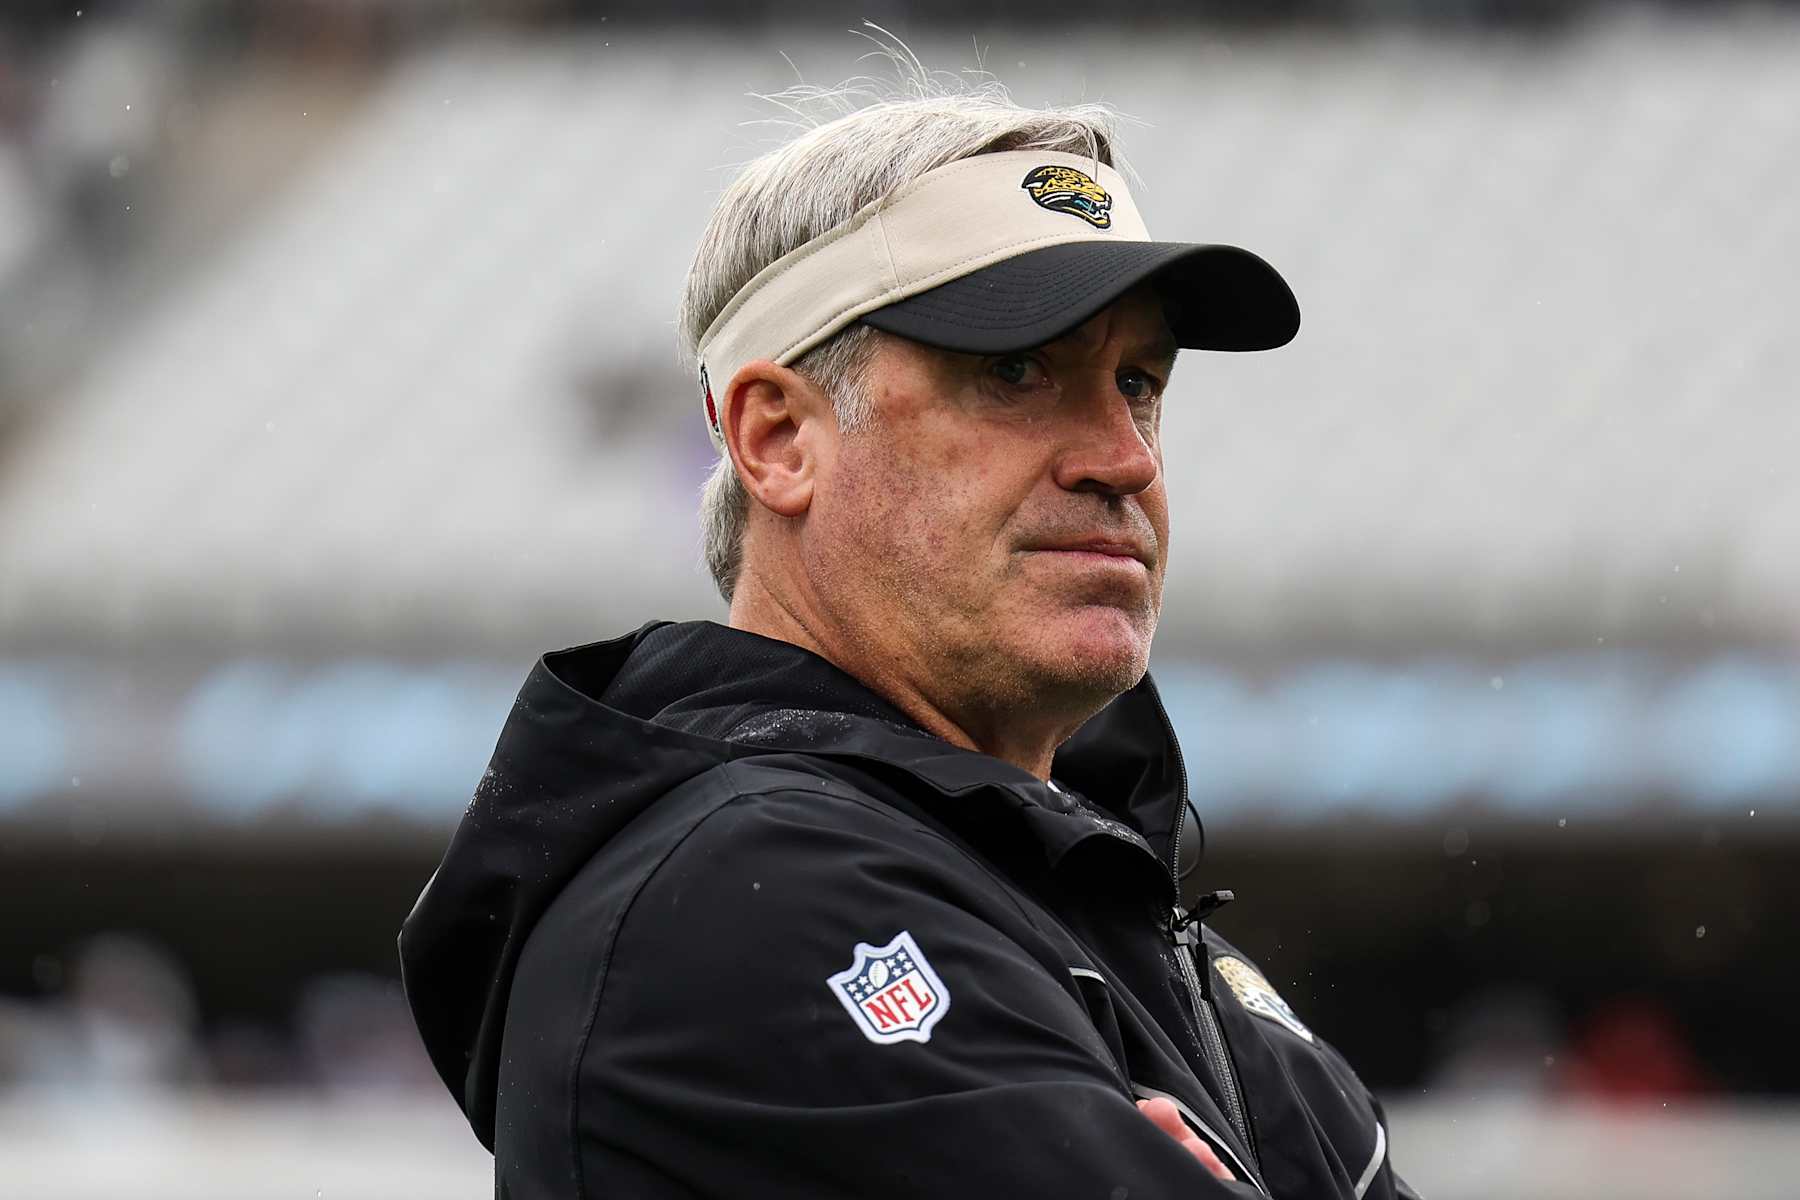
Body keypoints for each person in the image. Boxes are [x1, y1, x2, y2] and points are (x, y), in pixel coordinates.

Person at [399, 73, 1420, 1199]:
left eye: (1138, 383)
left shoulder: (1114, 918)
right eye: (1016, 371)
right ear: (777, 437)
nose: (1123, 457)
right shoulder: (745, 896)